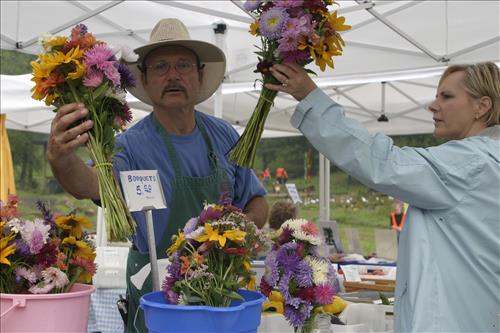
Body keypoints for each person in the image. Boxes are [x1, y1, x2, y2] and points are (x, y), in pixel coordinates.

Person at [46, 18, 268, 332]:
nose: (173, 75)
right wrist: (60, 157)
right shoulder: (129, 146)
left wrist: (240, 230)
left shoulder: (224, 135)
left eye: (183, 65)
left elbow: (257, 199)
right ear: (146, 80)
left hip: (220, 291)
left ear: (200, 75)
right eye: (161, 66)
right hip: (157, 299)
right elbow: (90, 184)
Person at [266, 62, 499, 332]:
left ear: (482, 106)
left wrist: (310, 97)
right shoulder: (486, 160)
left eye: (446, 96)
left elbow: (383, 162)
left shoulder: (470, 164)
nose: (433, 105)